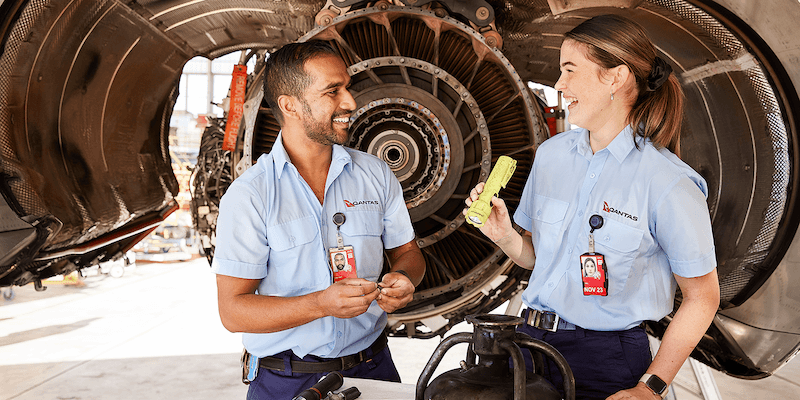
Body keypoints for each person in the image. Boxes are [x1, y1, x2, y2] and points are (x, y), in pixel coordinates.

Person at [465, 14, 719, 400]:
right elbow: (539, 260)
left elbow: (703, 299)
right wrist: (504, 236)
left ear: (615, 77)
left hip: (606, 360)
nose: (559, 84)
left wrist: (649, 388)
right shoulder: (551, 156)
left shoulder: (668, 183)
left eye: (570, 70)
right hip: (529, 345)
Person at [212, 40, 425, 400]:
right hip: (288, 379)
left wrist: (404, 278)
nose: (350, 102)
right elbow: (233, 311)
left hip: (372, 368)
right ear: (290, 105)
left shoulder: (374, 173)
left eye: (347, 87)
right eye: (332, 91)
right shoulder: (251, 195)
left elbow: (409, 252)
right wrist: (321, 304)